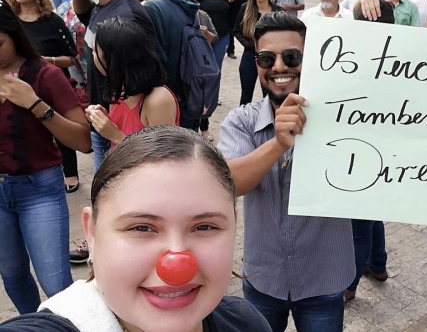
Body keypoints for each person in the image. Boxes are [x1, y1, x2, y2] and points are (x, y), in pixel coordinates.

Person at [0, 126, 272, 332]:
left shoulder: (246, 322)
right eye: (141, 227)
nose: (177, 266)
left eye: (205, 226)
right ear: (91, 233)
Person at [219, 12, 355, 332]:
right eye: (267, 58)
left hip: (324, 276)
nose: (279, 66)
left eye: (292, 56)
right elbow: (229, 183)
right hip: (264, 278)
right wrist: (278, 144)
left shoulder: (346, 119)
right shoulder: (241, 121)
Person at [0, 0, 91, 314]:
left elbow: (83, 140)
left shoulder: (44, 74)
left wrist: (34, 104)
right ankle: (33, 323)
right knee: (11, 275)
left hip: (39, 189)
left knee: (56, 285)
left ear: (13, 34)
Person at [69, 0, 156, 263]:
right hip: (116, 159)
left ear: (117, 57)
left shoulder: (156, 98)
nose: (93, 59)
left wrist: (113, 133)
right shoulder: (119, 94)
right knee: (104, 199)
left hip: (140, 183)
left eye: (98, 53)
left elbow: (162, 157)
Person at [6, 0, 83, 193]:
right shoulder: (8, 19)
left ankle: (70, 172)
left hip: (49, 84)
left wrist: (50, 61)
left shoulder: (52, 21)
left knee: (58, 124)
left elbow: (73, 57)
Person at [344, 0, 395, 304]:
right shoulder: (404, 59)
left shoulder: (360, 59)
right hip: (385, 157)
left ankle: (349, 286)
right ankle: (378, 265)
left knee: (358, 225)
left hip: (363, 154)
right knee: (371, 215)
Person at [135, 0, 217, 141]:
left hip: (169, 101)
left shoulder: (151, 8)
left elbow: (156, 63)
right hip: (191, 93)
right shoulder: (182, 5)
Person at [86, 18, 179, 146]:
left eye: (96, 51)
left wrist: (115, 135)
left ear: (113, 59)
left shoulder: (157, 100)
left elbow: (163, 157)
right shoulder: (121, 89)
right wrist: (104, 121)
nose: (93, 55)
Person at [234, 0, 282, 105]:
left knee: (269, 94)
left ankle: (269, 119)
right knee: (246, 93)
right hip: (250, 55)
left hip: (270, 58)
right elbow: (237, 30)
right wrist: (250, 45)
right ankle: (243, 119)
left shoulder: (278, 11)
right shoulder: (246, 8)